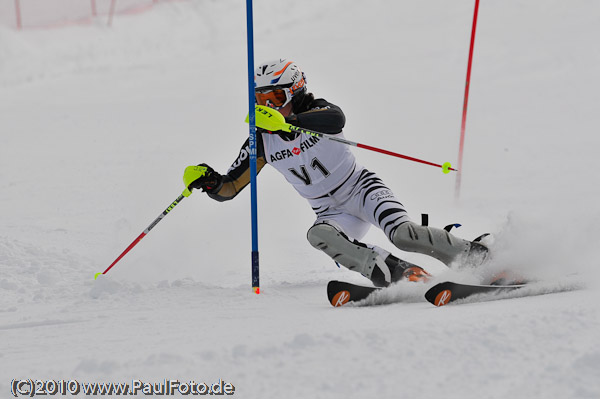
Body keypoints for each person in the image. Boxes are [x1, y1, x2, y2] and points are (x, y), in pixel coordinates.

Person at [184, 59, 488, 287]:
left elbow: (336, 119)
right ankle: (399, 272)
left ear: (296, 92)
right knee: (319, 235)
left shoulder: (316, 110)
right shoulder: (260, 139)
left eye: (275, 99)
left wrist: (292, 122)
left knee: (403, 234)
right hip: (328, 210)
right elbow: (231, 187)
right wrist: (210, 182)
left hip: (362, 190)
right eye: (261, 100)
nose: (268, 108)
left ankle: (476, 256)